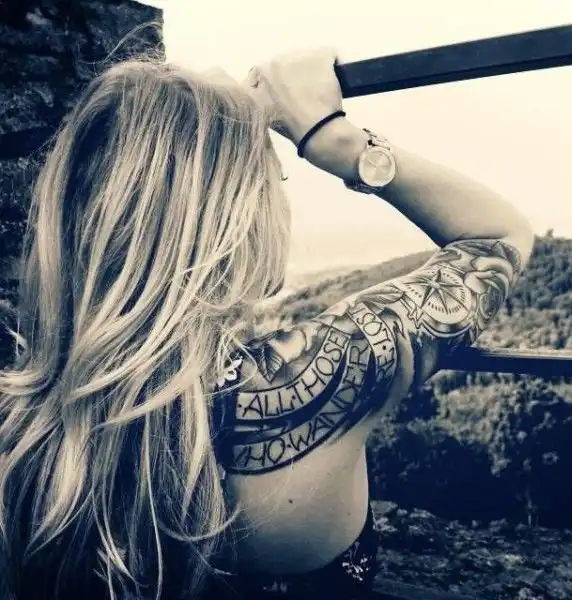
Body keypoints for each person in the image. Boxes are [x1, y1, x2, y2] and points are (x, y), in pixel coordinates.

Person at [0, 43, 534, 600]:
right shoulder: (315, 385)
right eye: (273, 182)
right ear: (234, 217)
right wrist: (337, 141)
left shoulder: (20, 434)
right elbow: (496, 238)